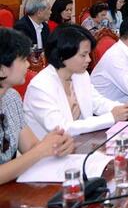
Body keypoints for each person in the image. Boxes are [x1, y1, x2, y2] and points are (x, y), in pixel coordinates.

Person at [24, 25, 128, 139]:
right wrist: (111, 117)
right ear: (63, 55)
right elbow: (61, 128)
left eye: (88, 54)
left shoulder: (80, 75)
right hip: (53, 148)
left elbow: (97, 102)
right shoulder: (40, 86)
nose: (89, 59)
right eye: (83, 55)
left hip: (81, 142)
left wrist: (125, 109)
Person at [0, 28, 75, 185]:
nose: (28, 64)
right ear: (2, 69)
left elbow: (30, 147)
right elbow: (35, 152)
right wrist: (40, 150)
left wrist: (56, 145)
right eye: (23, 60)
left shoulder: (12, 98)